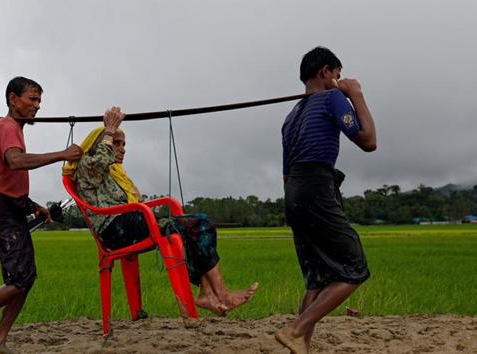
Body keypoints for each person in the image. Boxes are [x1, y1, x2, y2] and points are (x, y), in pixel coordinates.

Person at [62, 106, 259, 318]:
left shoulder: (115, 173)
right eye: (116, 143)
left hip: (131, 222)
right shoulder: (86, 165)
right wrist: (110, 129)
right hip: (115, 230)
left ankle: (207, 292)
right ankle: (221, 294)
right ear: (97, 144)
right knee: (198, 223)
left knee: (198, 225)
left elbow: (131, 198)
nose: (122, 149)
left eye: (123, 144)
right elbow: (101, 162)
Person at [0, 76, 83, 354]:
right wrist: (63, 154)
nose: (37, 106)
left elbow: (8, 179)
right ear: (13, 99)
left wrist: (33, 206)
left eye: (39, 101)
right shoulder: (7, 126)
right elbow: (16, 162)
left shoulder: (13, 128)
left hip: (9, 205)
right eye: (32, 99)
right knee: (20, 278)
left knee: (23, 278)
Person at [275, 47, 377, 354]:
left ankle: (300, 345)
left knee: (316, 279)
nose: (340, 80)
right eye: (337, 74)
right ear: (324, 72)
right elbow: (369, 141)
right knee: (355, 268)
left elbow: (286, 176)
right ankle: (296, 331)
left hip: (294, 193)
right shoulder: (333, 98)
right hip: (317, 186)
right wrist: (355, 94)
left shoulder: (290, 116)